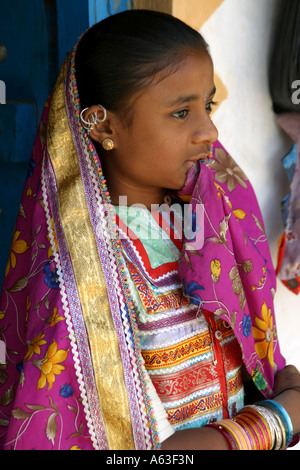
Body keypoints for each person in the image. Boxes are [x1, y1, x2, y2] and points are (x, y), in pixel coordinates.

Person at [0, 9, 299, 451]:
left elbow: (263, 365)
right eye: (181, 112)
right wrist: (282, 417)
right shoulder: (84, 273)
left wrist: (283, 386)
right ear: (103, 125)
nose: (209, 130)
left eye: (207, 105)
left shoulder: (213, 222)